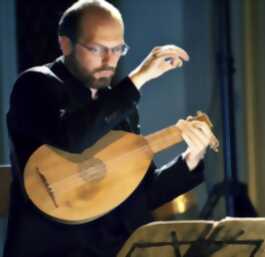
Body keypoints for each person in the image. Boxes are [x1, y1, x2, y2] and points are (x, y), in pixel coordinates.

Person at [4, 0, 217, 256]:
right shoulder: (36, 85)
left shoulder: (121, 104)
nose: (109, 60)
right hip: (53, 249)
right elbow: (71, 139)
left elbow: (142, 195)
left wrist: (191, 157)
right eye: (97, 49)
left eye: (118, 49)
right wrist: (139, 78)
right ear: (65, 44)